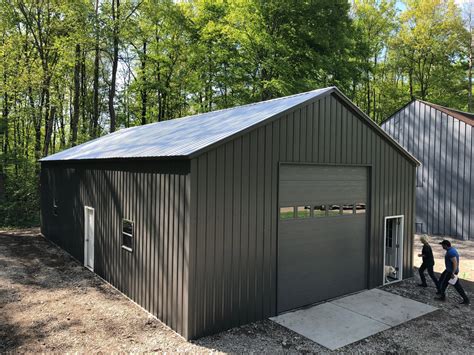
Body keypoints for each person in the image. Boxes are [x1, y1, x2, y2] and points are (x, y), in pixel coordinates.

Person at [435, 240, 470, 305]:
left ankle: (466, 300)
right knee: (442, 281)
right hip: (448, 270)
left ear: (445, 245)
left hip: (451, 272)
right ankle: (442, 294)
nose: (442, 246)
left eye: (442, 245)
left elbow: (455, 263)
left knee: (454, 286)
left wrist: (453, 273)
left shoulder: (451, 252)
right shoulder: (451, 250)